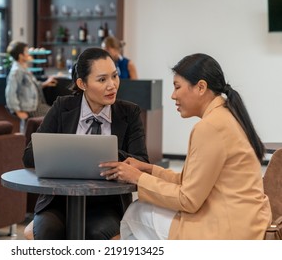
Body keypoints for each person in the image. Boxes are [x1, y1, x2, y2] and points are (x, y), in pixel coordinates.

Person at [100, 53, 272, 240]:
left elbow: (188, 199)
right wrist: (148, 169)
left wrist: (138, 177)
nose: (173, 95)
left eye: (177, 87)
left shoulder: (210, 127)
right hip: (243, 221)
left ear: (200, 87)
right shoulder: (226, 115)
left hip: (227, 230)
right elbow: (191, 181)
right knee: (139, 212)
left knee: (136, 211)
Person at [23, 47, 149, 240]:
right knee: (47, 232)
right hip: (59, 201)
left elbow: (142, 161)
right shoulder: (62, 107)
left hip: (107, 204)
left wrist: (107, 154)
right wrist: (70, 149)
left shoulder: (129, 113)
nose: (112, 85)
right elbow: (29, 156)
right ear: (82, 83)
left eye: (114, 76)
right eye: (102, 79)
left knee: (96, 233)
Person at [5, 41, 57, 132]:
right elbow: (10, 93)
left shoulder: (24, 69)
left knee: (57, 113)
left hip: (36, 105)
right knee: (56, 115)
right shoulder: (17, 71)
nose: (28, 53)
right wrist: (18, 112)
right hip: (31, 108)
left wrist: (45, 83)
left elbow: (33, 86)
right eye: (26, 51)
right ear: (21, 55)